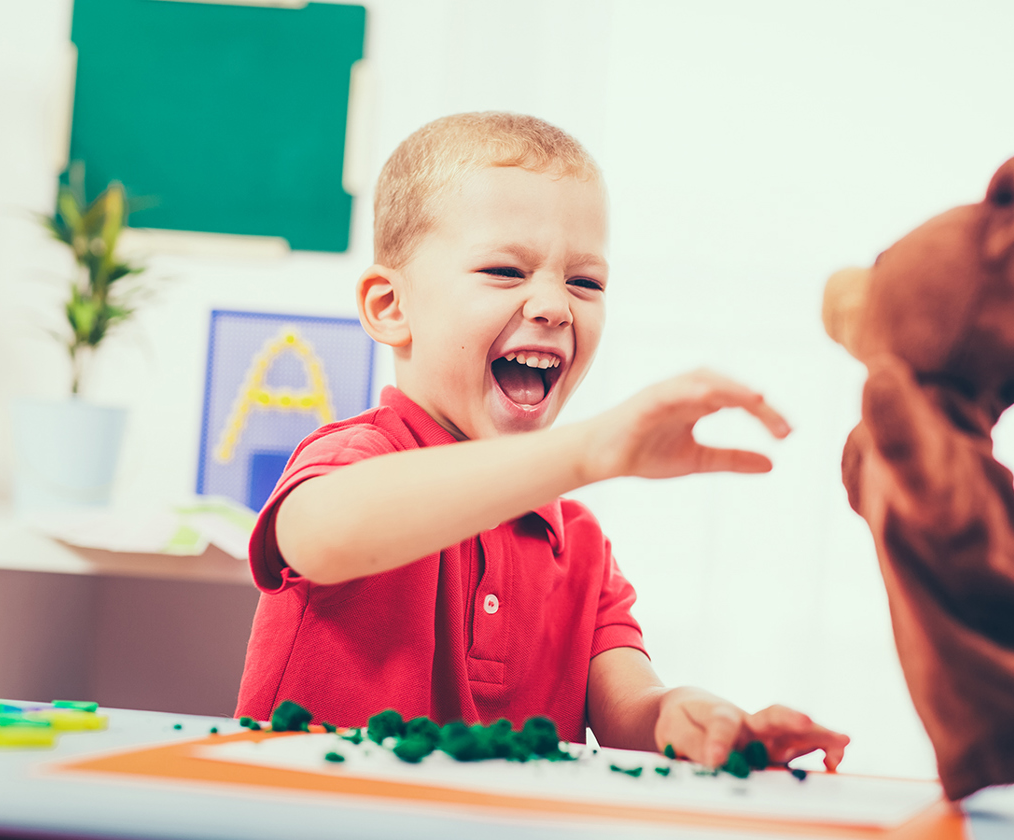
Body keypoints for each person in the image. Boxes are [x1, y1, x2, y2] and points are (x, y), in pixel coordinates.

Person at [234, 112, 848, 771]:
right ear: (391, 307)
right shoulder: (356, 459)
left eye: (586, 282)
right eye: (505, 270)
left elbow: (630, 712)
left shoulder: (579, 546)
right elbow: (323, 536)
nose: (555, 306)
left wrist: (689, 718)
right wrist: (589, 451)